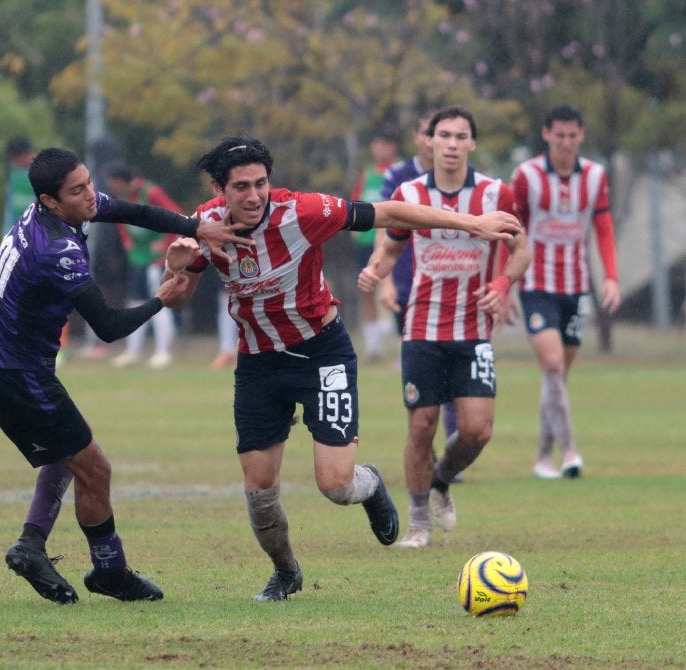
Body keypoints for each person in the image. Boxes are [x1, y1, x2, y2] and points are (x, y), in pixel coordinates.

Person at [158, 135, 522, 601]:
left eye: (261, 184)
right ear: (218, 188)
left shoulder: (302, 212)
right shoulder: (203, 226)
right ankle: (286, 572)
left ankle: (369, 487)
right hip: (258, 364)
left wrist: (472, 223)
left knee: (335, 485)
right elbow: (178, 299)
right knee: (259, 489)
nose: (253, 196)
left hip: (321, 353)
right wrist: (179, 271)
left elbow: (390, 213)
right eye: (241, 187)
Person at [0, 147, 251, 605]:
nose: (89, 196)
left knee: (67, 453)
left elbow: (129, 209)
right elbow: (108, 327)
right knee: (95, 467)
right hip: (14, 372)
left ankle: (30, 546)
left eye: (87, 182)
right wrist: (163, 297)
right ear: (50, 201)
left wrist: (194, 226)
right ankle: (110, 571)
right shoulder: (56, 250)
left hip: (3, 359)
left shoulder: (52, 210)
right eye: (77, 191)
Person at [358, 106, 530, 548]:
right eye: (444, 136)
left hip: (473, 329)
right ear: (429, 142)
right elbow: (392, 247)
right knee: (422, 426)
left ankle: (441, 480)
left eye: (461, 136)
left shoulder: (496, 193)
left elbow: (522, 249)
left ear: (472, 143)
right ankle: (418, 523)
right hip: (422, 327)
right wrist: (376, 270)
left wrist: (502, 282)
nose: (452, 144)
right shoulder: (409, 192)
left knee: (477, 431)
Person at [509, 105, 620, 480]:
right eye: (560, 135)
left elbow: (603, 228)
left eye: (573, 135)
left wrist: (611, 277)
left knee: (556, 376)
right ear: (546, 135)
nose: (566, 142)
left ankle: (542, 457)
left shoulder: (595, 176)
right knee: (553, 364)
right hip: (536, 284)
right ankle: (570, 450)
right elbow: (510, 230)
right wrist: (504, 283)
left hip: (576, 286)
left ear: (582, 136)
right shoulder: (526, 176)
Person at [379, 112, 461, 478]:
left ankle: (455, 450)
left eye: (442, 134)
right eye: (430, 133)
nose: (435, 141)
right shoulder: (398, 176)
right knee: (425, 375)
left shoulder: (462, 179)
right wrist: (385, 280)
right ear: (418, 137)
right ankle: (424, 451)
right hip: (408, 284)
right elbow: (383, 225)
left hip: (453, 286)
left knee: (456, 370)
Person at [105, 162, 181, 369]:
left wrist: (166, 243)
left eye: (112, 182)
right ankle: (132, 351)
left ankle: (163, 352)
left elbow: (176, 214)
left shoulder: (151, 192)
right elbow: (121, 219)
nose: (111, 186)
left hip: (156, 258)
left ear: (120, 181)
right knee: (135, 302)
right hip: (138, 258)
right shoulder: (121, 198)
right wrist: (126, 240)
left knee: (159, 301)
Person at [349, 124, 399, 362]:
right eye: (377, 144)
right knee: (366, 290)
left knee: (397, 288)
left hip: (392, 241)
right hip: (367, 241)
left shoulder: (399, 171)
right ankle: (373, 346)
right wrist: (354, 231)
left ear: (393, 147)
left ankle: (404, 343)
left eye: (385, 144)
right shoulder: (367, 172)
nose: (380, 149)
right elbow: (356, 201)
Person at [2, 136, 36, 237]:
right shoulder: (13, 171)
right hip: (17, 231)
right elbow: (10, 205)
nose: (13, 162)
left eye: (14, 159)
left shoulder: (44, 170)